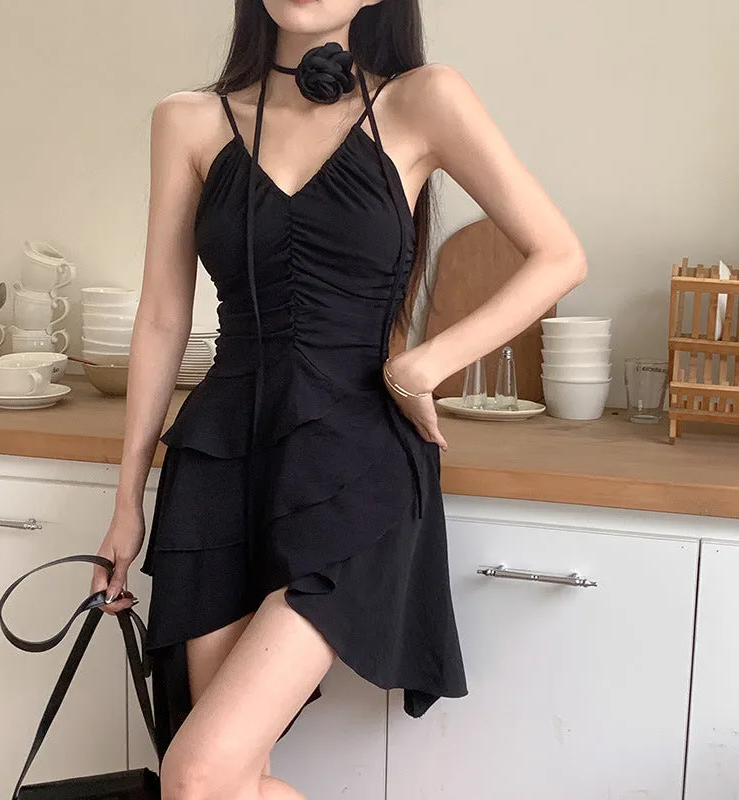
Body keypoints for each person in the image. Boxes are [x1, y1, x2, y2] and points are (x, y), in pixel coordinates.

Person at [91, 0, 586, 797]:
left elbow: (558, 254)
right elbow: (161, 318)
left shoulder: (422, 99)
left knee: (195, 775)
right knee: (227, 782)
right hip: (220, 463)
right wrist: (125, 503)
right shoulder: (185, 121)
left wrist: (422, 366)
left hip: (355, 465)